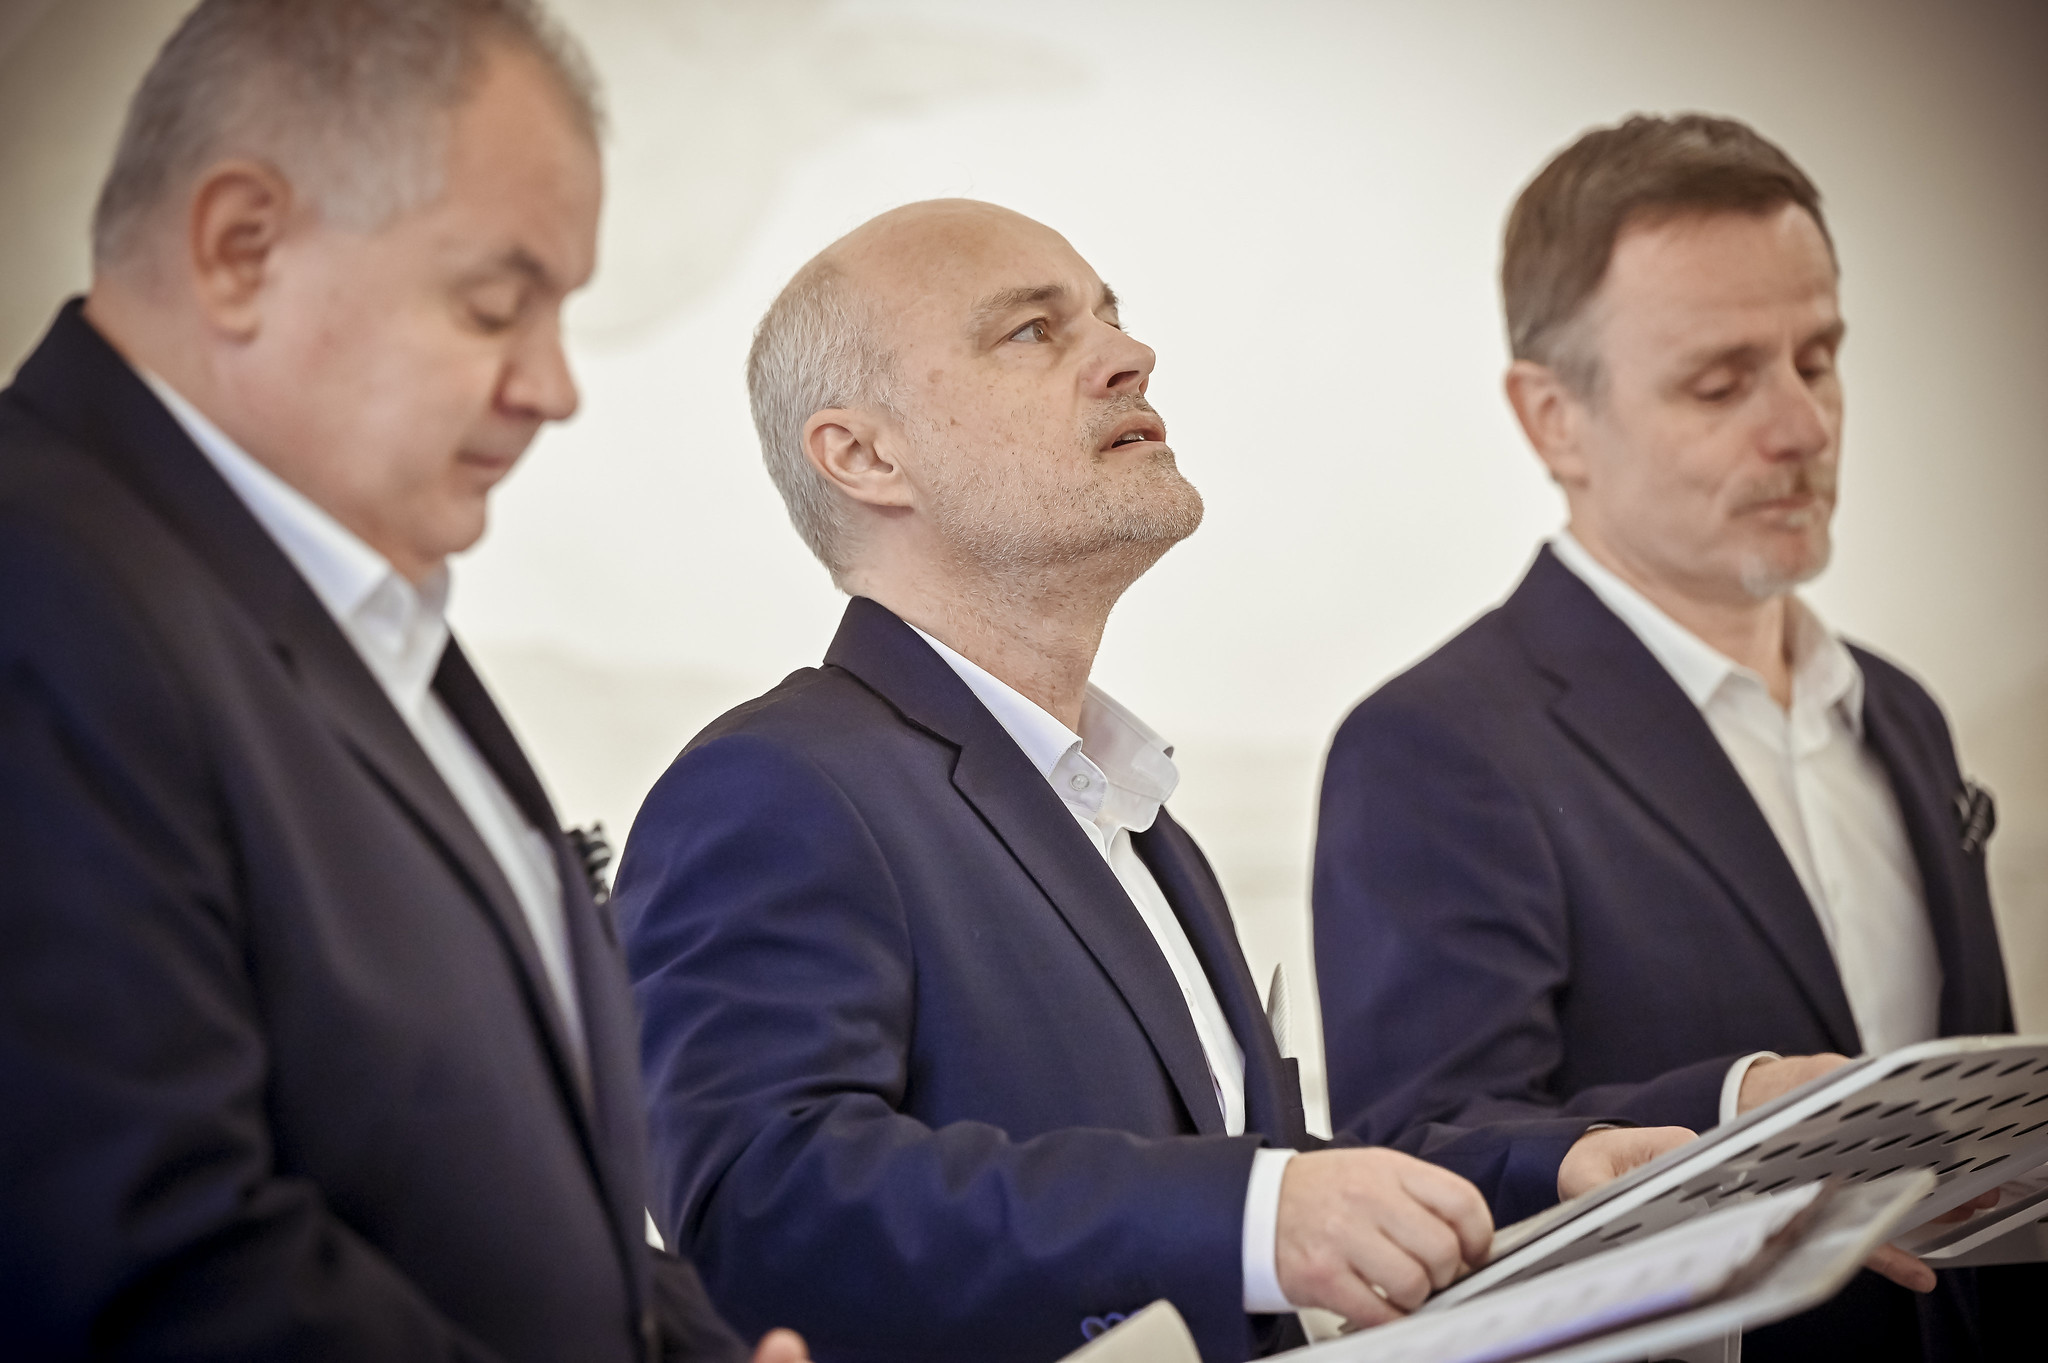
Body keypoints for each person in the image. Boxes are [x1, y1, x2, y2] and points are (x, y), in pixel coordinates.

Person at [615, 198, 1687, 1363]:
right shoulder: (773, 787)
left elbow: (1250, 1179)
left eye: (1109, 315)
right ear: (865, 455)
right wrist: (1246, 1217)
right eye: (1033, 329)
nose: (1130, 354)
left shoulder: (1132, 819)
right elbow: (764, 1213)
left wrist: (1554, 1171)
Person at [0, 2, 803, 1359]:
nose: (554, 385)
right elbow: (142, 1263)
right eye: (496, 304)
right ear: (241, 248)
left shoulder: (338, 609)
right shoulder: (40, 586)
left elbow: (517, 1210)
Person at [1312, 113, 2018, 1359]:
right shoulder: (1431, 745)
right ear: (1552, 419)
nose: (1801, 426)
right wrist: (1740, 1102)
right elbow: (1426, 1146)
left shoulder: (1898, 712)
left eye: (1816, 358)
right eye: (1720, 382)